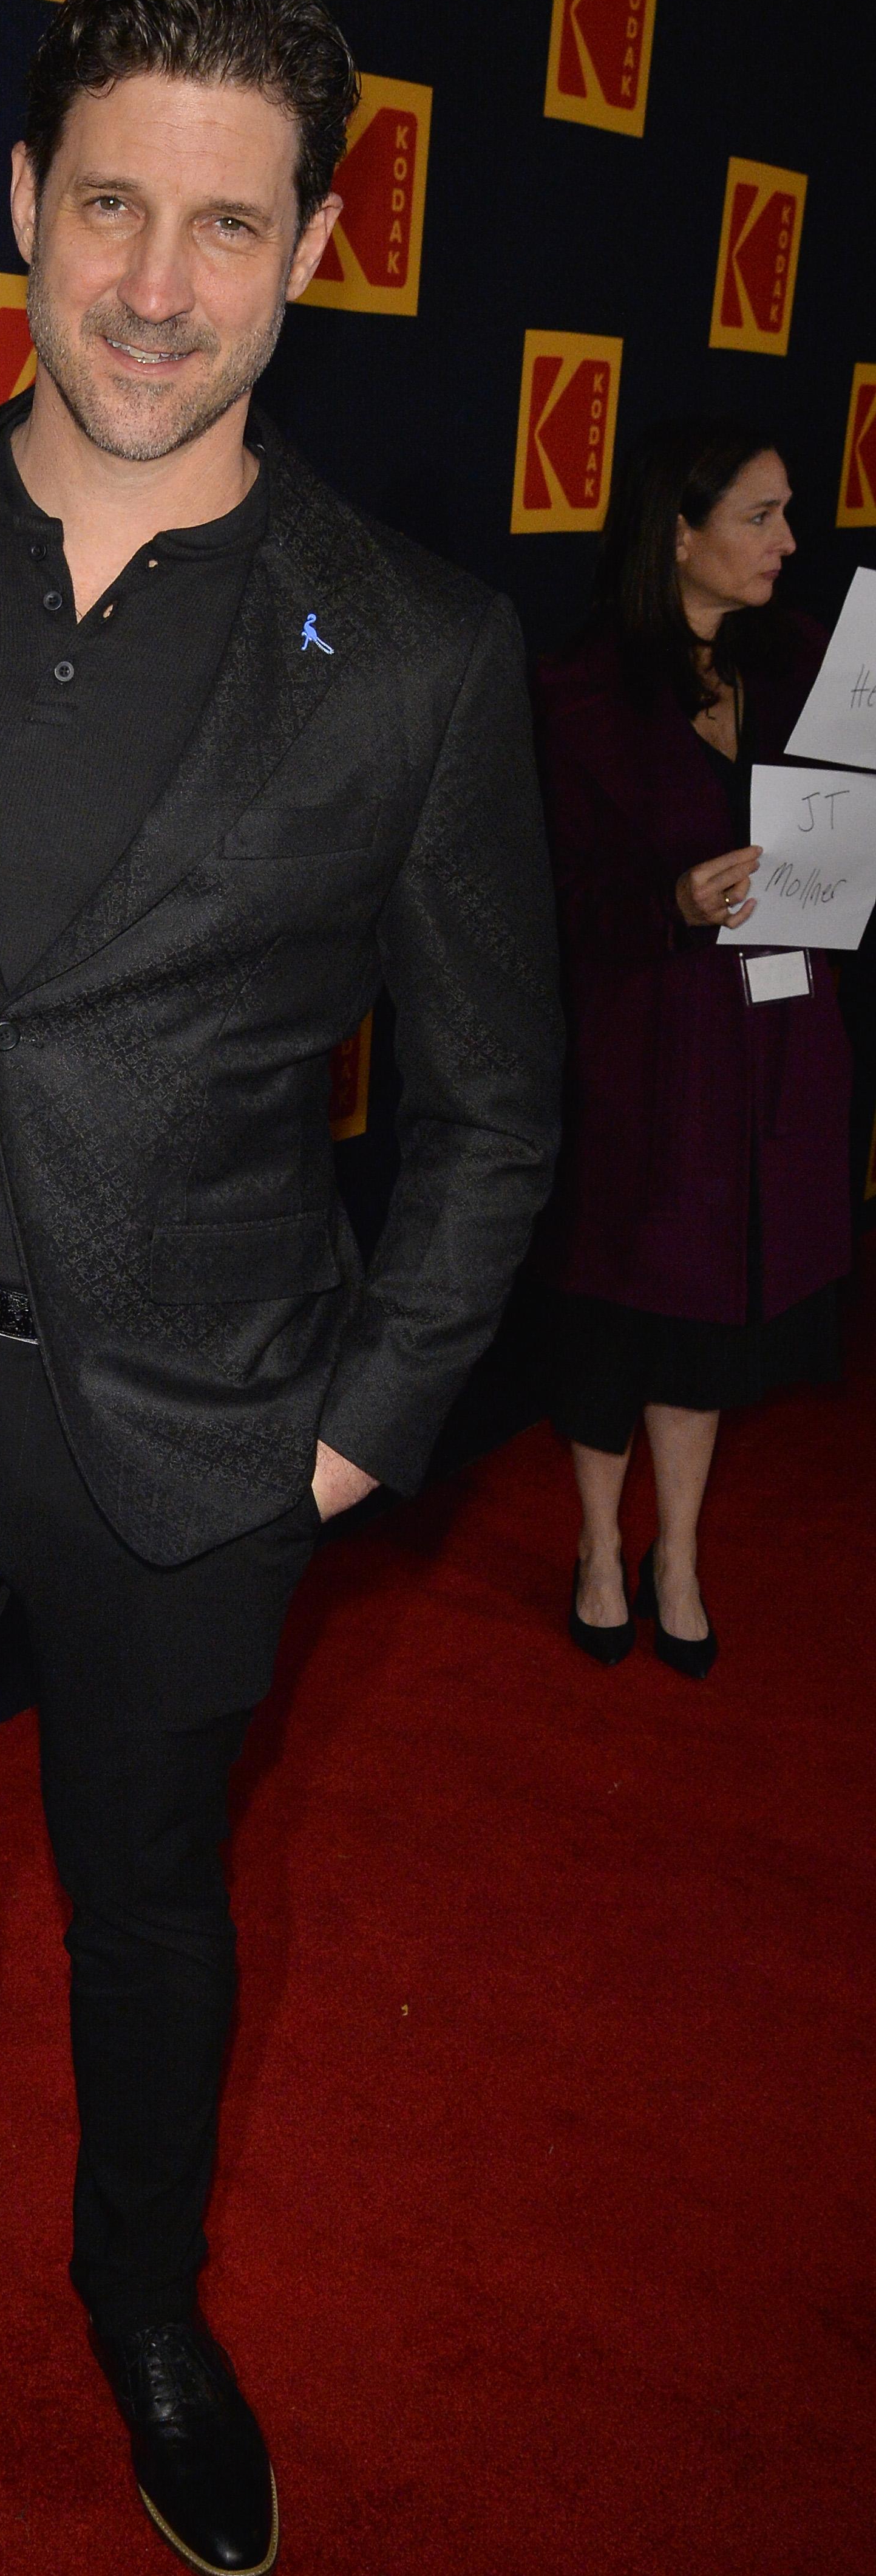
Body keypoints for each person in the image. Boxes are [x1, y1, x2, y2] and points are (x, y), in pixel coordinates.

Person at [0, 0, 562, 2576]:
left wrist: (364, 1416)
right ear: (22, 201)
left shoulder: (419, 654)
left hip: (200, 1429)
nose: (152, 281)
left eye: (226, 225)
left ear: (309, 248)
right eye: (110, 203)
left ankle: (143, 2305)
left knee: (153, 1918)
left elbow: (493, 1103)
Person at [535, 419, 852, 1678]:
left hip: (771, 1053)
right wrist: (670, 907)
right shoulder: (574, 692)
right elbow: (553, 910)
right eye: (760, 517)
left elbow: (838, 857)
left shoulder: (811, 664)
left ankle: (675, 1554)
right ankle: (599, 1551)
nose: (788, 541)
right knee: (621, 1309)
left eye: (787, 514)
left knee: (712, 1318)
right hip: (642, 1056)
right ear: (680, 531)